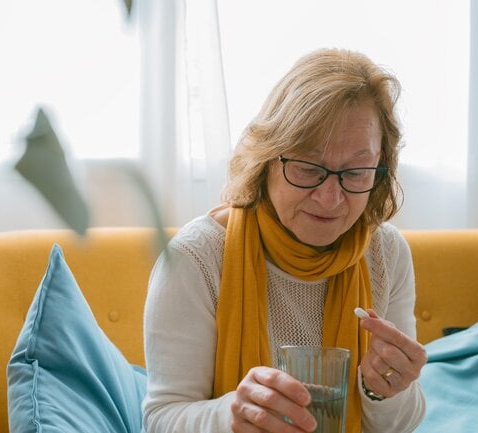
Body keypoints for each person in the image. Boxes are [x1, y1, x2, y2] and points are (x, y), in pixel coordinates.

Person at [142, 48, 427, 433]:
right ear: (267, 158)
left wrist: (385, 391)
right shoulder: (196, 258)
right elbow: (160, 419)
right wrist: (230, 416)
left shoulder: (386, 253)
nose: (330, 199)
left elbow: (402, 424)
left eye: (357, 172)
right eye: (309, 169)